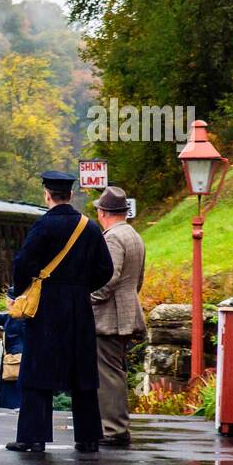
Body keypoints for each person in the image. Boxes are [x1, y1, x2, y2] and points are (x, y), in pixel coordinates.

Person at [6, 170, 114, 454]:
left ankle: (33, 438)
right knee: (83, 374)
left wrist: (21, 291)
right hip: (79, 308)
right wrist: (81, 287)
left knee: (37, 372)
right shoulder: (89, 227)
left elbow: (22, 263)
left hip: (46, 309)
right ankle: (88, 438)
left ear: (47, 194)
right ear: (71, 195)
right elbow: (106, 270)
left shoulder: (43, 226)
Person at [90, 186, 146, 447]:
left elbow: (107, 278)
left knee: (108, 375)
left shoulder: (112, 238)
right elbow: (138, 279)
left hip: (109, 318)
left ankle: (113, 429)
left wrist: (87, 298)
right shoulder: (133, 235)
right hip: (126, 313)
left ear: (103, 212)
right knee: (116, 371)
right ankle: (116, 425)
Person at [0, 287, 26, 409]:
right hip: (16, 357)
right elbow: (0, 317)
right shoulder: (16, 315)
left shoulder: (19, 318)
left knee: (13, 389)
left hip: (17, 357)